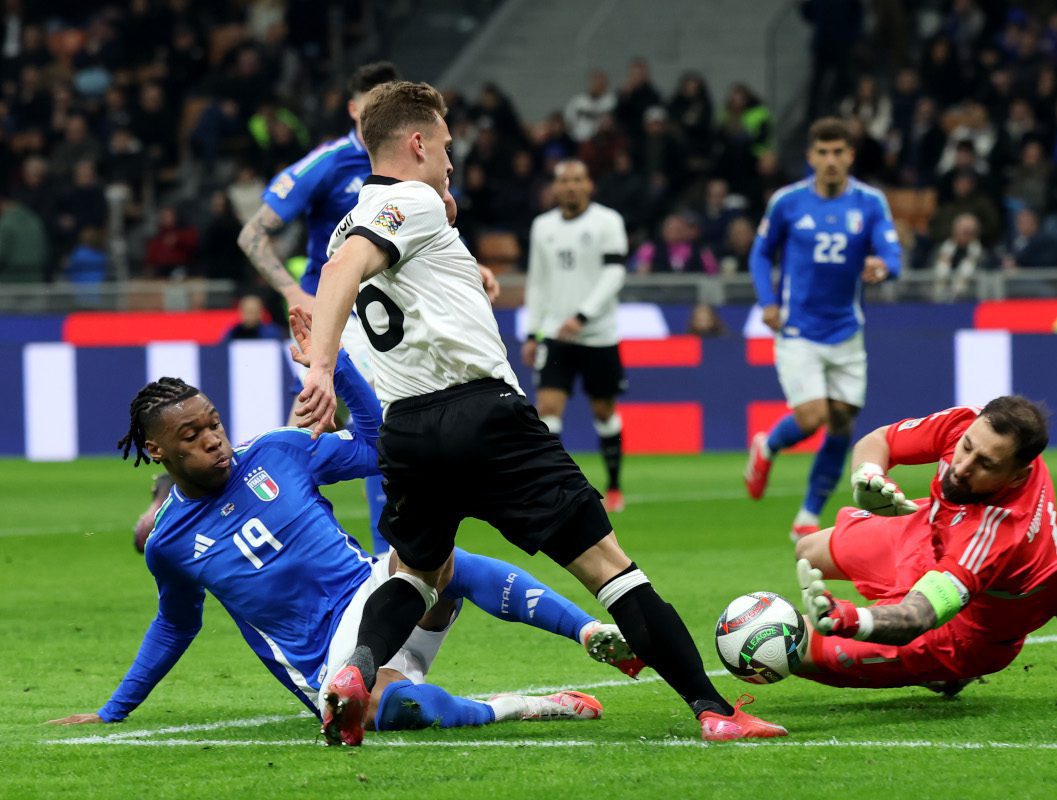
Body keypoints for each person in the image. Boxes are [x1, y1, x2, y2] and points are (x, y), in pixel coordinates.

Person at [296, 80, 785, 745]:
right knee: (609, 567)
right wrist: (321, 371)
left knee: (416, 572)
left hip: (407, 429)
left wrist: (464, 267)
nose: (449, 160)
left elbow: (362, 271)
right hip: (482, 414)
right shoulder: (410, 201)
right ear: (414, 143)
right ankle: (715, 711)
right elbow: (347, 270)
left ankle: (357, 670)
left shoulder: (358, 217)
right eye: (443, 146)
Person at [48, 308, 636, 735]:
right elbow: (175, 626)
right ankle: (523, 706)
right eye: (191, 436)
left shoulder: (278, 450)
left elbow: (377, 442)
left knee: (434, 558)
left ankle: (592, 634)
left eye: (213, 423)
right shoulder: (169, 543)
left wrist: (335, 367)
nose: (213, 441)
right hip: (323, 661)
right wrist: (114, 710)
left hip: (379, 599)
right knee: (386, 712)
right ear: (157, 452)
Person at [790, 396, 1057, 693]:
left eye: (985, 464)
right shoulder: (965, 423)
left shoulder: (997, 533)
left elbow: (916, 617)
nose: (962, 468)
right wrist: (867, 475)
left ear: (1017, 476)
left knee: (791, 646)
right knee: (808, 551)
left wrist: (852, 619)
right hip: (932, 531)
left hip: (964, 626)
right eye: (967, 447)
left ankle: (946, 671)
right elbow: (879, 440)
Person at [236, 61, 401, 555]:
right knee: (315, 428)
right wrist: (291, 291)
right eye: (375, 105)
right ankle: (274, 538)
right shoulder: (327, 165)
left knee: (384, 430)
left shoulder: (407, 166)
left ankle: (387, 556)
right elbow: (253, 233)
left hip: (386, 315)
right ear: (354, 109)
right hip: (333, 316)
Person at [744, 117, 902, 541]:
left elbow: (893, 253)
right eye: (823, 152)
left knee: (842, 425)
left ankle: (808, 515)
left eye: (839, 152)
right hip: (799, 330)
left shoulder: (870, 203)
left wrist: (881, 266)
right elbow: (760, 255)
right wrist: (767, 302)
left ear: (850, 155)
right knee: (812, 416)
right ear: (811, 156)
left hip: (847, 331)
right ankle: (768, 446)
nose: (831, 160)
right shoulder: (788, 202)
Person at [522, 159, 630, 513]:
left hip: (598, 335)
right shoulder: (543, 226)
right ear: (555, 188)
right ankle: (559, 488)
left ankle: (614, 486)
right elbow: (538, 281)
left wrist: (583, 316)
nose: (571, 186)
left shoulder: (608, 222)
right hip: (555, 335)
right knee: (549, 410)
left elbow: (614, 275)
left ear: (589, 185)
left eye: (578, 180)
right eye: (564, 180)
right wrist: (532, 332)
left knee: (604, 411)